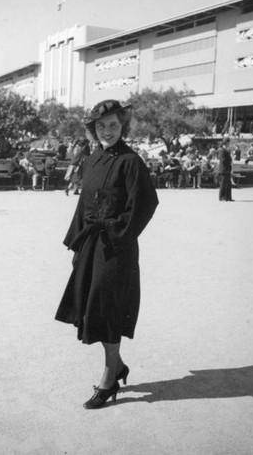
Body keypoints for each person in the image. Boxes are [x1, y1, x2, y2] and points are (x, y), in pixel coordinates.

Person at [55, 99, 158, 409]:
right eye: (101, 125)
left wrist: (115, 233)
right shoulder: (93, 158)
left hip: (116, 249)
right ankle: (118, 365)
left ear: (122, 126)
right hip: (91, 246)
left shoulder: (131, 161)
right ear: (93, 129)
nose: (108, 130)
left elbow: (144, 206)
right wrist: (77, 243)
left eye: (114, 125)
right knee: (91, 309)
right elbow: (83, 204)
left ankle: (108, 379)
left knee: (107, 310)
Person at [217, 136, 233, 201]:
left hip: (227, 169)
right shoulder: (222, 150)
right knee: (223, 184)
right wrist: (229, 163)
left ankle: (228, 197)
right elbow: (223, 160)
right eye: (228, 143)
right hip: (223, 169)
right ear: (226, 143)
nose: (229, 144)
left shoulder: (226, 150)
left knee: (228, 184)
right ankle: (222, 197)